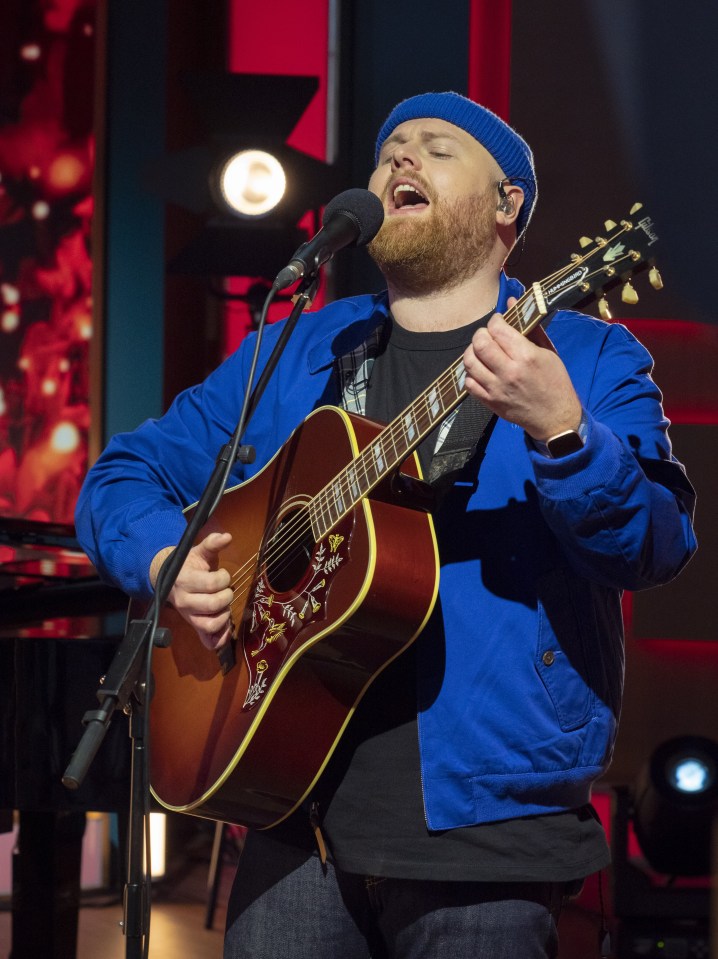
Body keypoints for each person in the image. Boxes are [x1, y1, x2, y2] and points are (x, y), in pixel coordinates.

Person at [75, 92, 697, 958]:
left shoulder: (588, 357)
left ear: (507, 204)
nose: (399, 162)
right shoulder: (302, 346)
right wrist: (160, 559)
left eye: (436, 149)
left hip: (487, 838)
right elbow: (124, 472)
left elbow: (654, 544)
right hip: (290, 811)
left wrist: (563, 434)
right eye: (388, 151)